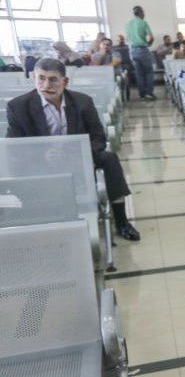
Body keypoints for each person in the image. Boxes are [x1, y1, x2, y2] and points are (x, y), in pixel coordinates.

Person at [6, 58, 140, 240]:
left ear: (65, 81)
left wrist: (76, 153)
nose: (46, 85)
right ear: (33, 79)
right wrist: (42, 154)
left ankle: (122, 221)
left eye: (53, 79)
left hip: (78, 158)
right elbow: (14, 147)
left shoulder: (82, 102)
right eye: (41, 78)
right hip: (40, 165)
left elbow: (98, 136)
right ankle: (37, 220)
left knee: (109, 158)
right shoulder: (18, 106)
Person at [125, 5, 155, 100]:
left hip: (133, 51)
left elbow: (127, 38)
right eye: (144, 13)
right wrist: (148, 44)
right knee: (149, 72)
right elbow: (151, 37)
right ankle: (149, 93)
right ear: (141, 13)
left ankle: (142, 94)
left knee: (139, 73)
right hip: (142, 50)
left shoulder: (128, 24)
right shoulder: (143, 23)